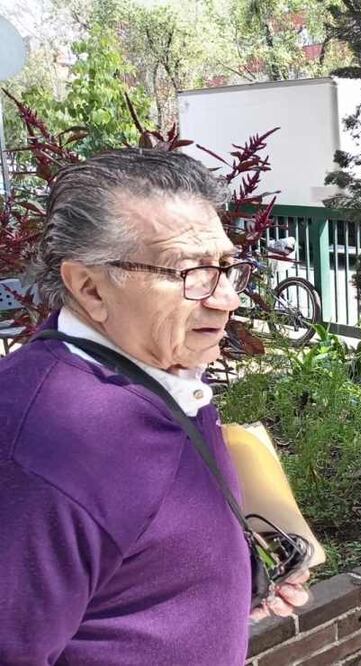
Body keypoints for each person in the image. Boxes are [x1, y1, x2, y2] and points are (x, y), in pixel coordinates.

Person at [0, 149, 309, 664]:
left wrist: (227, 584)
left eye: (226, 267)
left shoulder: (158, 370)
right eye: (190, 272)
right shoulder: (41, 449)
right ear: (89, 287)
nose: (226, 298)